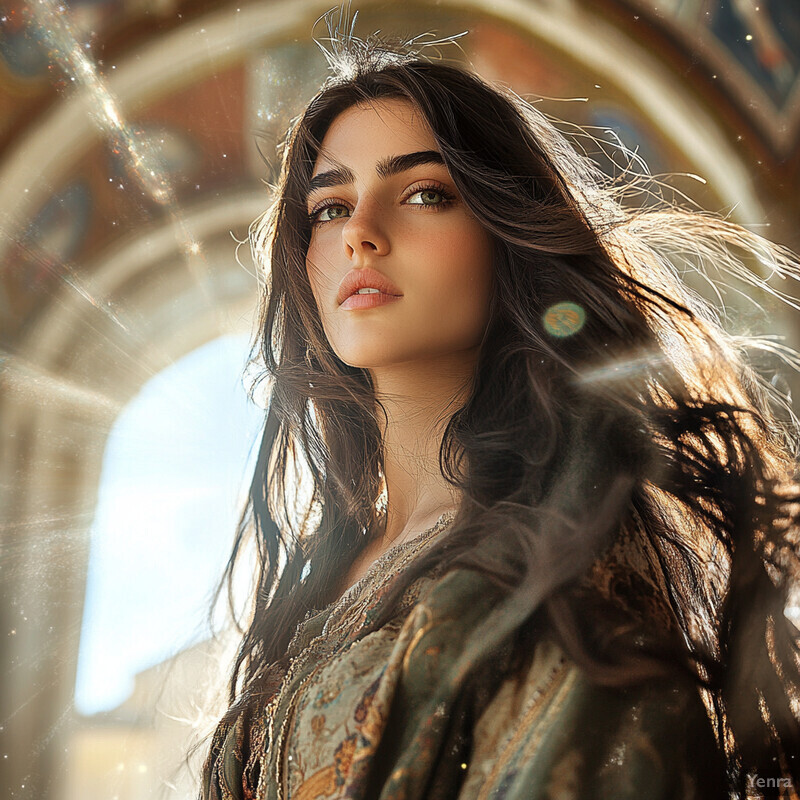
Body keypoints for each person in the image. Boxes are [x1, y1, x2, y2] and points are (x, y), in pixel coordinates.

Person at [199, 10, 800, 799]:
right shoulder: (317, 575)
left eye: (423, 193)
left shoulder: (565, 587)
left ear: (505, 231)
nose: (361, 236)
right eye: (331, 207)